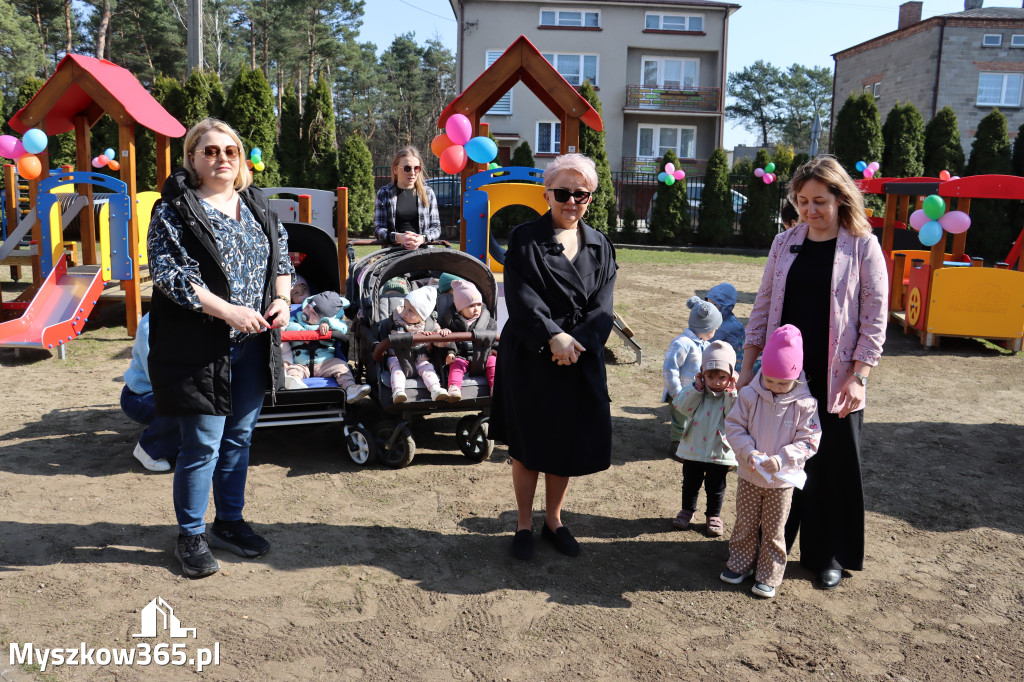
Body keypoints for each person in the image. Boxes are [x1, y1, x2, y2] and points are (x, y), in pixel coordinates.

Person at [148, 118, 294, 579]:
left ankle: (229, 522)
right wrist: (227, 311)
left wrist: (283, 300)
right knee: (202, 445)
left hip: (252, 347)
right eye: (210, 151)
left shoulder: (257, 207)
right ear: (192, 157)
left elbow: (282, 259)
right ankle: (190, 536)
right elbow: (172, 276)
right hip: (201, 346)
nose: (221, 159)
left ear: (241, 159)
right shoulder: (174, 211)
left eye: (230, 151)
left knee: (239, 439)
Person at [737, 155, 888, 591]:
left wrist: (859, 375)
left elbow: (876, 315)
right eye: (801, 201)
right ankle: (768, 548)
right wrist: (750, 366)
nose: (809, 210)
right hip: (784, 376)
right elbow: (764, 304)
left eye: (819, 201)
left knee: (833, 464)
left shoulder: (862, 245)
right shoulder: (785, 243)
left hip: (838, 374)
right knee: (780, 458)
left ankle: (827, 554)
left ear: (842, 198)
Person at [490, 153, 618, 561]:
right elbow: (521, 296)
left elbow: (603, 307)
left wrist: (575, 343)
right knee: (529, 444)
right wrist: (553, 337)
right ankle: (524, 524)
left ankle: (554, 520)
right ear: (547, 194)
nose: (571, 201)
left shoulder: (600, 244)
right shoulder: (526, 237)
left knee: (563, 443)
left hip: (578, 354)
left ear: (590, 198)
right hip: (532, 351)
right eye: (562, 193)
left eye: (581, 194)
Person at [721, 325, 821, 599]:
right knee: (745, 522)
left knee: (775, 530)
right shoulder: (750, 395)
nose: (775, 387)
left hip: (782, 481)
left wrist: (783, 459)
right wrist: (749, 453)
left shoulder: (805, 405)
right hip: (750, 475)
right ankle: (740, 564)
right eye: (770, 380)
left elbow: (810, 440)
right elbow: (735, 427)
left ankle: (769, 575)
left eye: (783, 383)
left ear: (796, 377)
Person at [669, 340, 738, 537]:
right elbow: (681, 406)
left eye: (722, 377)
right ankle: (687, 510)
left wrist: (731, 393)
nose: (716, 382)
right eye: (710, 376)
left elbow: (735, 416)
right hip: (694, 448)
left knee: (716, 486)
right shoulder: (697, 392)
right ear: (702, 374)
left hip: (720, 451)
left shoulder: (733, 395)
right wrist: (696, 387)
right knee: (690, 482)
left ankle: (714, 515)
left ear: (731, 376)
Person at [282, 291, 371, 402]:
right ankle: (295, 384)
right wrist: (303, 332)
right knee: (293, 370)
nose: (307, 312)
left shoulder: (329, 324)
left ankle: (350, 388)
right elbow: (288, 326)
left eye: (313, 313)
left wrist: (327, 323)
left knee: (341, 366)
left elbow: (343, 328)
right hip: (301, 363)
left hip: (325, 363)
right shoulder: (296, 318)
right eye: (308, 307)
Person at [663, 297, 722, 458]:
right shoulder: (682, 343)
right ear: (706, 327)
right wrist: (676, 392)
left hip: (695, 393)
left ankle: (688, 445)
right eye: (714, 329)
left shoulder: (705, 345)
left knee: (691, 420)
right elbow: (669, 368)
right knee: (680, 422)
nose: (715, 332)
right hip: (680, 394)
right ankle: (676, 446)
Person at [121, 313, 179, 472]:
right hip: (141, 393)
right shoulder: (150, 325)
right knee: (184, 407)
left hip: (175, 387)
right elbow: (158, 377)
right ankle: (148, 448)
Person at [378, 285, 448, 402]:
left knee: (428, 369)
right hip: (397, 356)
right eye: (405, 307)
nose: (405, 312)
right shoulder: (396, 321)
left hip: (421, 358)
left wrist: (442, 335)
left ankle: (435, 389)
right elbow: (396, 337)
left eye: (410, 311)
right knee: (397, 370)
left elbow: (439, 344)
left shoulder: (431, 326)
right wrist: (419, 338)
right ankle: (398, 391)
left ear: (422, 315)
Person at [437, 279, 497, 401]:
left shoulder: (487, 320)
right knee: (456, 365)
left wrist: (495, 349)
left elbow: (493, 337)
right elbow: (450, 340)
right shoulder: (450, 320)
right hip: (461, 355)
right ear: (460, 309)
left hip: (483, 355)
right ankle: (454, 388)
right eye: (471, 306)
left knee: (493, 362)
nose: (476, 309)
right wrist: (450, 352)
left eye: (478, 305)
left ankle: (495, 388)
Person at [373, 146, 441, 249]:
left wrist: (422, 239)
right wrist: (398, 237)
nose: (412, 173)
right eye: (407, 168)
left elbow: (436, 227)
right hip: (393, 255)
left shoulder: (428, 193)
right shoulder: (384, 193)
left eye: (416, 168)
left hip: (424, 255)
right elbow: (378, 229)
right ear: (395, 170)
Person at [705, 282, 745, 369]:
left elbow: (708, 345)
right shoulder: (715, 321)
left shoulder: (730, 326)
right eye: (708, 304)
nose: (710, 308)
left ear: (725, 305)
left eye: (714, 304)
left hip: (729, 367)